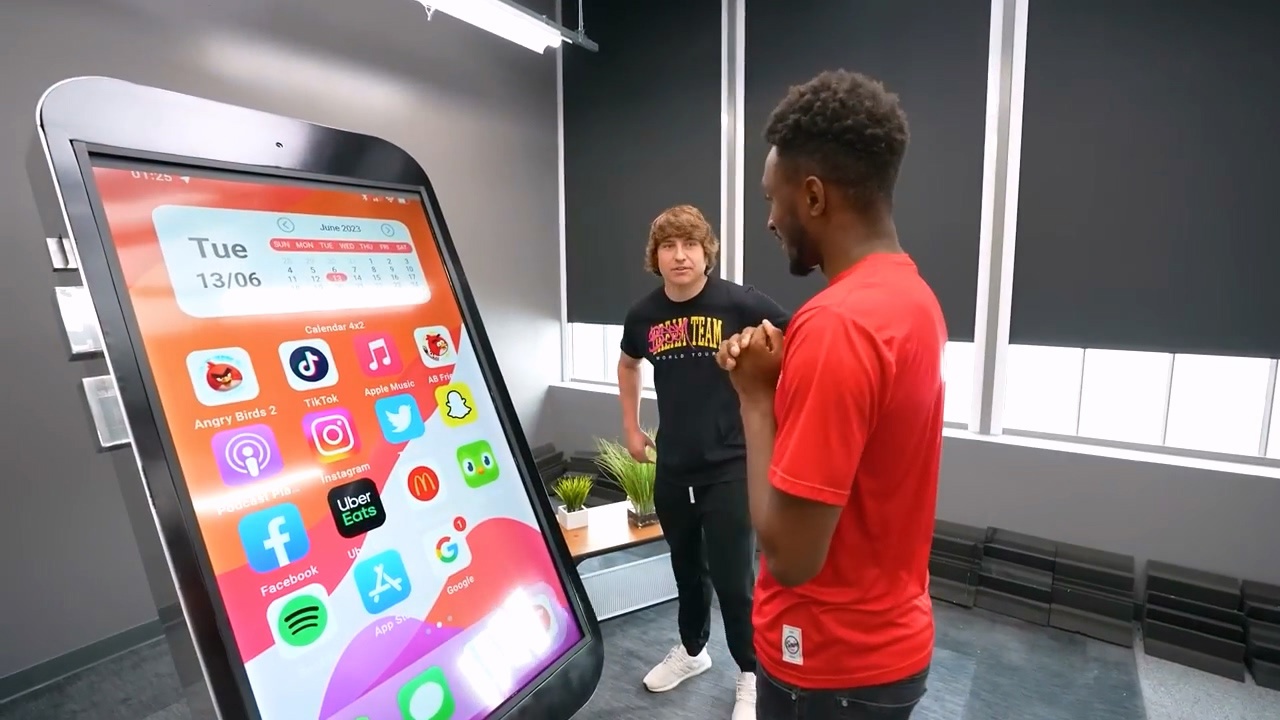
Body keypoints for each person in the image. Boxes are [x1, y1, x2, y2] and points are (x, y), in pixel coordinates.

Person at [715, 70, 945, 720]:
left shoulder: (836, 323)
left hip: (826, 664)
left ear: (813, 196)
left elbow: (790, 557)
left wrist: (755, 397)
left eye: (773, 199)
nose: (769, 219)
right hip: (888, 650)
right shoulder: (912, 297)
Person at [617, 204, 789, 720]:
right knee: (687, 570)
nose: (680, 255)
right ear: (656, 257)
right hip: (674, 467)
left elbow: (795, 338)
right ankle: (693, 651)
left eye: (690, 244)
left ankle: (751, 673)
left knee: (735, 581)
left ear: (705, 251)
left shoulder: (738, 302)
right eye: (668, 246)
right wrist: (631, 426)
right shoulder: (643, 315)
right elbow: (628, 364)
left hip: (731, 466)